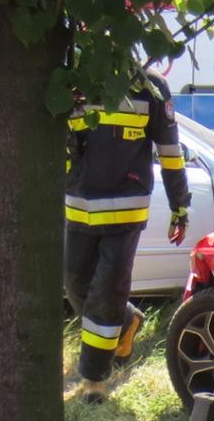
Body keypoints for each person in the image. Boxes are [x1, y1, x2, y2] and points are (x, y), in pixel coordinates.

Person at [62, 64, 190, 402]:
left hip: (126, 209)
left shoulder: (151, 88)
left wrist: (181, 205)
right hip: (78, 206)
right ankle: (128, 319)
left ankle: (94, 378)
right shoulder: (75, 79)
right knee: (76, 286)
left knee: (105, 293)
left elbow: (170, 153)